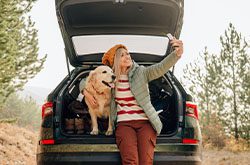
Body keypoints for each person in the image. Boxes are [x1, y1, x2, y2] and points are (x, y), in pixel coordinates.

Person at [81, 38, 183, 165]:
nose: (127, 56)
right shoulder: (111, 79)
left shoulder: (141, 72)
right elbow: (87, 80)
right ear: (115, 61)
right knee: (131, 161)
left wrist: (176, 54)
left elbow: (160, 68)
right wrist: (84, 92)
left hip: (145, 123)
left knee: (146, 161)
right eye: (122, 55)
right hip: (124, 124)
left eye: (127, 53)